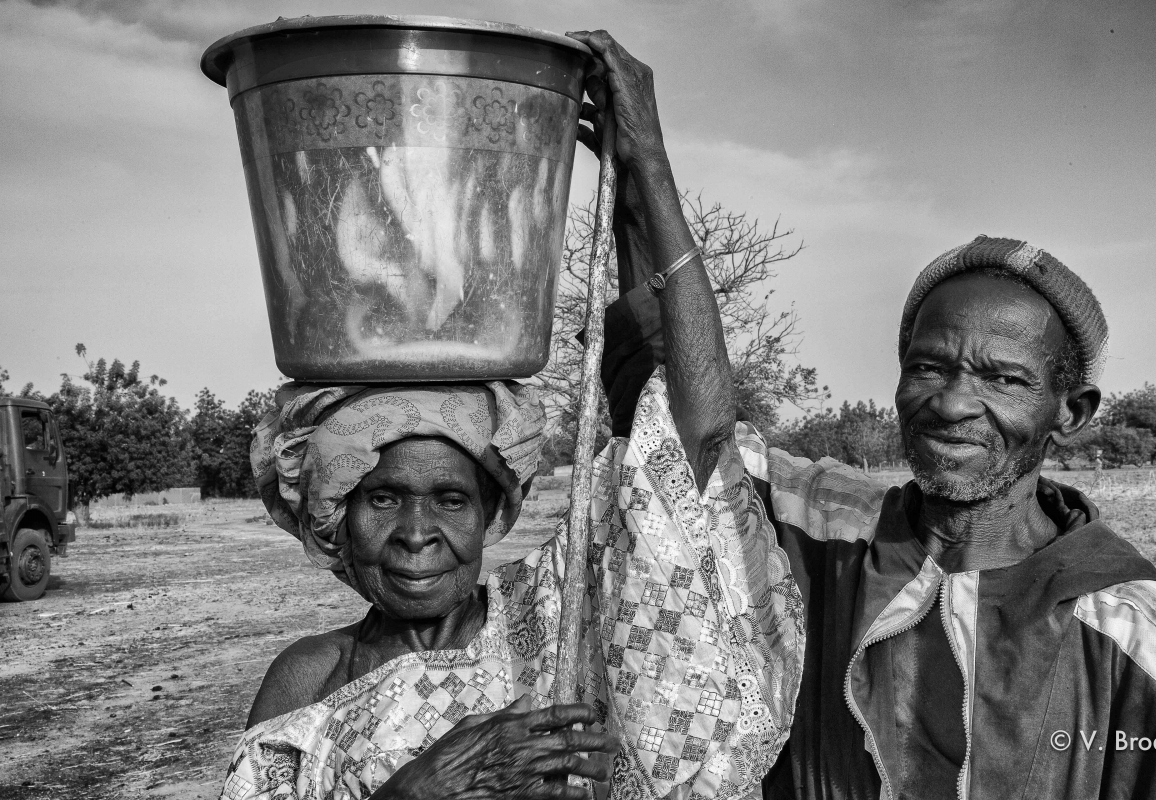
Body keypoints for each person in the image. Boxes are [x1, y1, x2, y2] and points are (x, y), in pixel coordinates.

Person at [218, 31, 804, 800]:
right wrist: (411, 793)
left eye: (451, 498)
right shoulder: (309, 679)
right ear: (332, 518)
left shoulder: (561, 616)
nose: (417, 535)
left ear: (494, 511)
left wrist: (648, 172)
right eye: (383, 497)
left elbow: (691, 433)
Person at [601, 234, 1156, 798]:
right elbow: (675, 432)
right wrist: (643, 174)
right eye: (928, 368)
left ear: (1070, 413)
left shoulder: (1133, 632)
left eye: (1003, 378)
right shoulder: (816, 524)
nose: (952, 402)